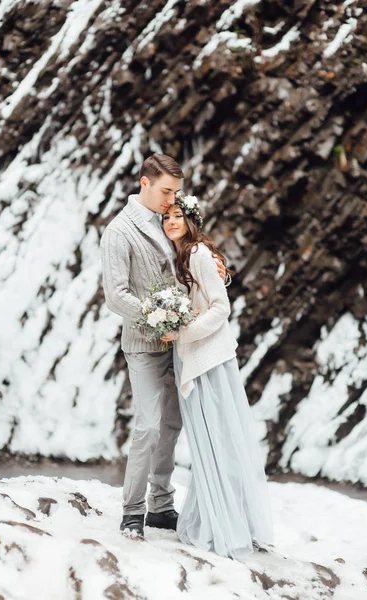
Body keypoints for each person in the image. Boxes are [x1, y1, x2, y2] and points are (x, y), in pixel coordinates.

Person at [100, 154, 226, 538]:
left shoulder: (165, 219)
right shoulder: (119, 232)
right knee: (149, 427)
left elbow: (189, 259)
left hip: (179, 345)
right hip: (143, 344)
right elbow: (115, 296)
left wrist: (216, 263)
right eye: (166, 191)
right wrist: (159, 318)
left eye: (176, 192)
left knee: (171, 426)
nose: (172, 200)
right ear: (144, 183)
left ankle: (160, 506)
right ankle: (132, 512)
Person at [160, 196, 274, 558]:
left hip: (208, 359)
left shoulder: (198, 255)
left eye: (178, 216)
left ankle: (225, 526)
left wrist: (182, 332)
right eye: (166, 217)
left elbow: (220, 308)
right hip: (193, 357)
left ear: (191, 219)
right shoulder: (182, 255)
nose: (171, 222)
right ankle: (218, 518)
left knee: (217, 442)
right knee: (206, 444)